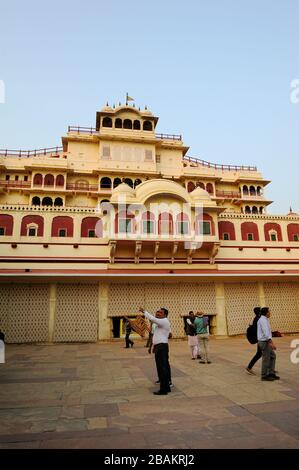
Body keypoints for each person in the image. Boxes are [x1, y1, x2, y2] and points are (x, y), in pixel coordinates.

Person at [139, 307, 172, 395]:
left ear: (165, 314)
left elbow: (152, 318)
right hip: (160, 346)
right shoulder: (159, 323)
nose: (157, 313)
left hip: (162, 347)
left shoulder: (164, 321)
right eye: (157, 312)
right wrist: (153, 346)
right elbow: (156, 335)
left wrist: (144, 311)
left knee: (162, 368)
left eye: (160, 312)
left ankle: (163, 389)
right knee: (162, 367)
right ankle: (166, 387)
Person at [257, 307, 280, 381]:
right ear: (266, 312)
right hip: (264, 342)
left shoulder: (265, 319)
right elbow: (266, 333)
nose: (270, 313)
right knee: (266, 359)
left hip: (266, 341)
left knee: (273, 356)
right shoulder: (263, 320)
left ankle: (271, 373)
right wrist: (271, 343)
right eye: (269, 311)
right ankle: (264, 376)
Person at [246, 307, 262, 375]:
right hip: (261, 339)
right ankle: (249, 367)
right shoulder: (258, 319)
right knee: (260, 354)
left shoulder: (256, 318)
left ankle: (271, 369)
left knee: (263, 354)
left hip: (260, 338)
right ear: (259, 312)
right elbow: (257, 330)